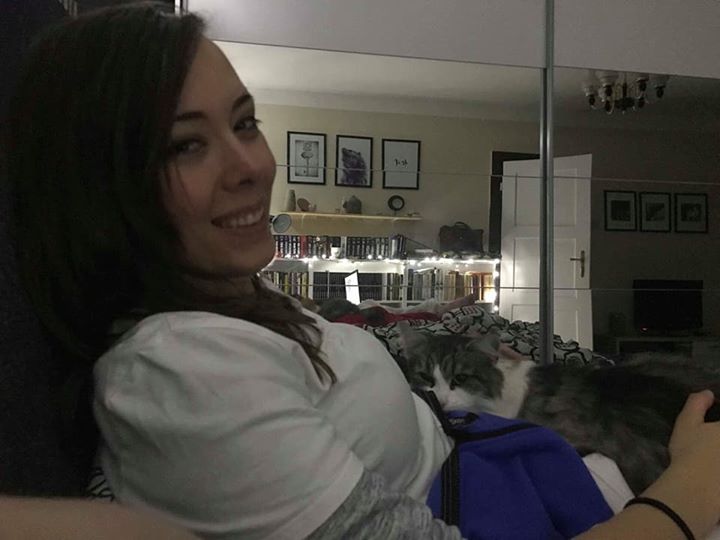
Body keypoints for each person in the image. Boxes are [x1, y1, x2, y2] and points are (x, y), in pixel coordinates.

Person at [5, 4, 720, 539]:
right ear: (101, 187)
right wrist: (688, 491)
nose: (251, 166)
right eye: (187, 145)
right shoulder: (182, 373)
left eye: (246, 123)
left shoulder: (231, 300)